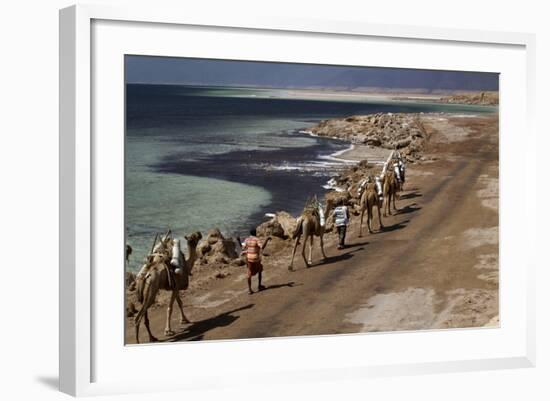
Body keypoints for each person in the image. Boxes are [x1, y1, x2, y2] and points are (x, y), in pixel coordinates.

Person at [241, 229, 271, 294]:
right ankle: (259, 286)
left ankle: (249, 289)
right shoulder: (257, 239)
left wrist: (238, 240)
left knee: (249, 273)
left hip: (248, 258)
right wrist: (267, 239)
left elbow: (242, 248)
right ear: (255, 233)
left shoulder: (246, 239)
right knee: (260, 270)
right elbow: (262, 247)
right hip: (256, 258)